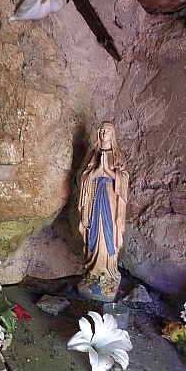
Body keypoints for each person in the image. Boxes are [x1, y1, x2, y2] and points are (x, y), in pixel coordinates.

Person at [78, 122, 128, 292]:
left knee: (109, 231)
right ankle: (94, 270)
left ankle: (108, 270)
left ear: (113, 135)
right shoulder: (93, 154)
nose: (104, 134)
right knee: (95, 229)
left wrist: (108, 171)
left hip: (111, 200)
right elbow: (85, 178)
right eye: (102, 131)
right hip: (94, 199)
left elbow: (124, 179)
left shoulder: (118, 155)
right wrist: (98, 171)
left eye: (108, 131)